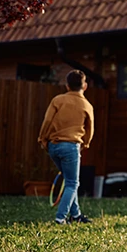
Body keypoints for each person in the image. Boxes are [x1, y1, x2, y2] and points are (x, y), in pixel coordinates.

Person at [38, 70, 94, 225]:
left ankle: (76, 215)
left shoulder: (58, 100)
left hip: (53, 147)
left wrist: (42, 139)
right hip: (71, 147)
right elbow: (90, 130)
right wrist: (86, 143)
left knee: (69, 180)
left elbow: (47, 120)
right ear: (85, 86)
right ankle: (60, 218)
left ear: (67, 85)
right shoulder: (87, 106)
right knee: (72, 183)